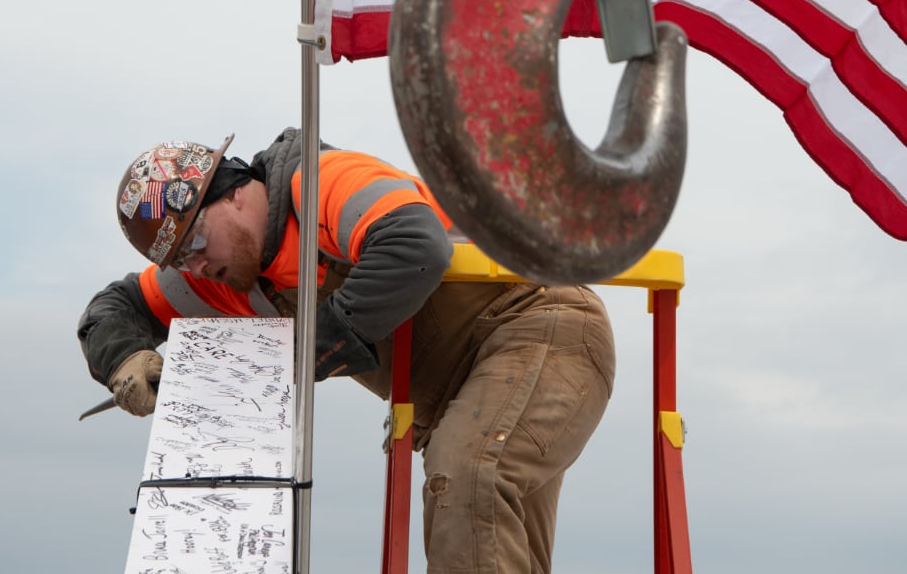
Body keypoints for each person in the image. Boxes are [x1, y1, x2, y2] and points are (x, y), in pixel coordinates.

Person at [78, 128, 615, 574]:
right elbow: (115, 306)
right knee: (493, 542)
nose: (196, 267)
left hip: (540, 328)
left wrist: (302, 352)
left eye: (195, 243)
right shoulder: (222, 276)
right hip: (466, 391)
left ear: (235, 192)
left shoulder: (318, 183)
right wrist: (123, 355)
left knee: (470, 473)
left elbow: (414, 245)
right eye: (180, 261)